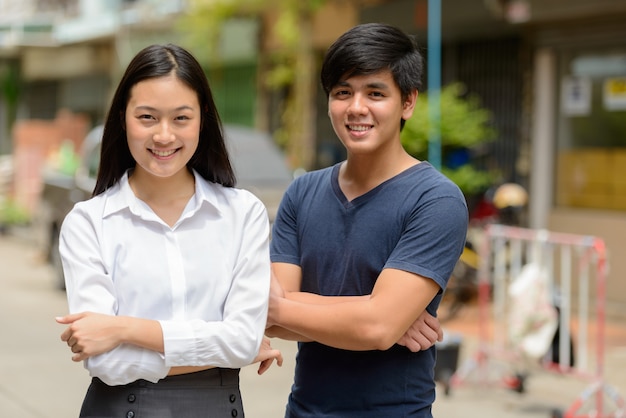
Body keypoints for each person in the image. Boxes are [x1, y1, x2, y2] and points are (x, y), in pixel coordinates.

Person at [55, 43, 282, 418]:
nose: (164, 136)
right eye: (147, 117)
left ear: (202, 119)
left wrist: (125, 329)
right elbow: (107, 364)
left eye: (181, 118)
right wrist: (219, 348)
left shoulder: (243, 213)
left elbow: (241, 342)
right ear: (122, 118)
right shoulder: (89, 222)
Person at [266, 23, 468, 417]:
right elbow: (277, 323)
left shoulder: (436, 199)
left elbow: (280, 309)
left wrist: (380, 322)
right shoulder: (302, 193)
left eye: (375, 93)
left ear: (407, 102)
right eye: (343, 92)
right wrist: (378, 315)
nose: (356, 107)